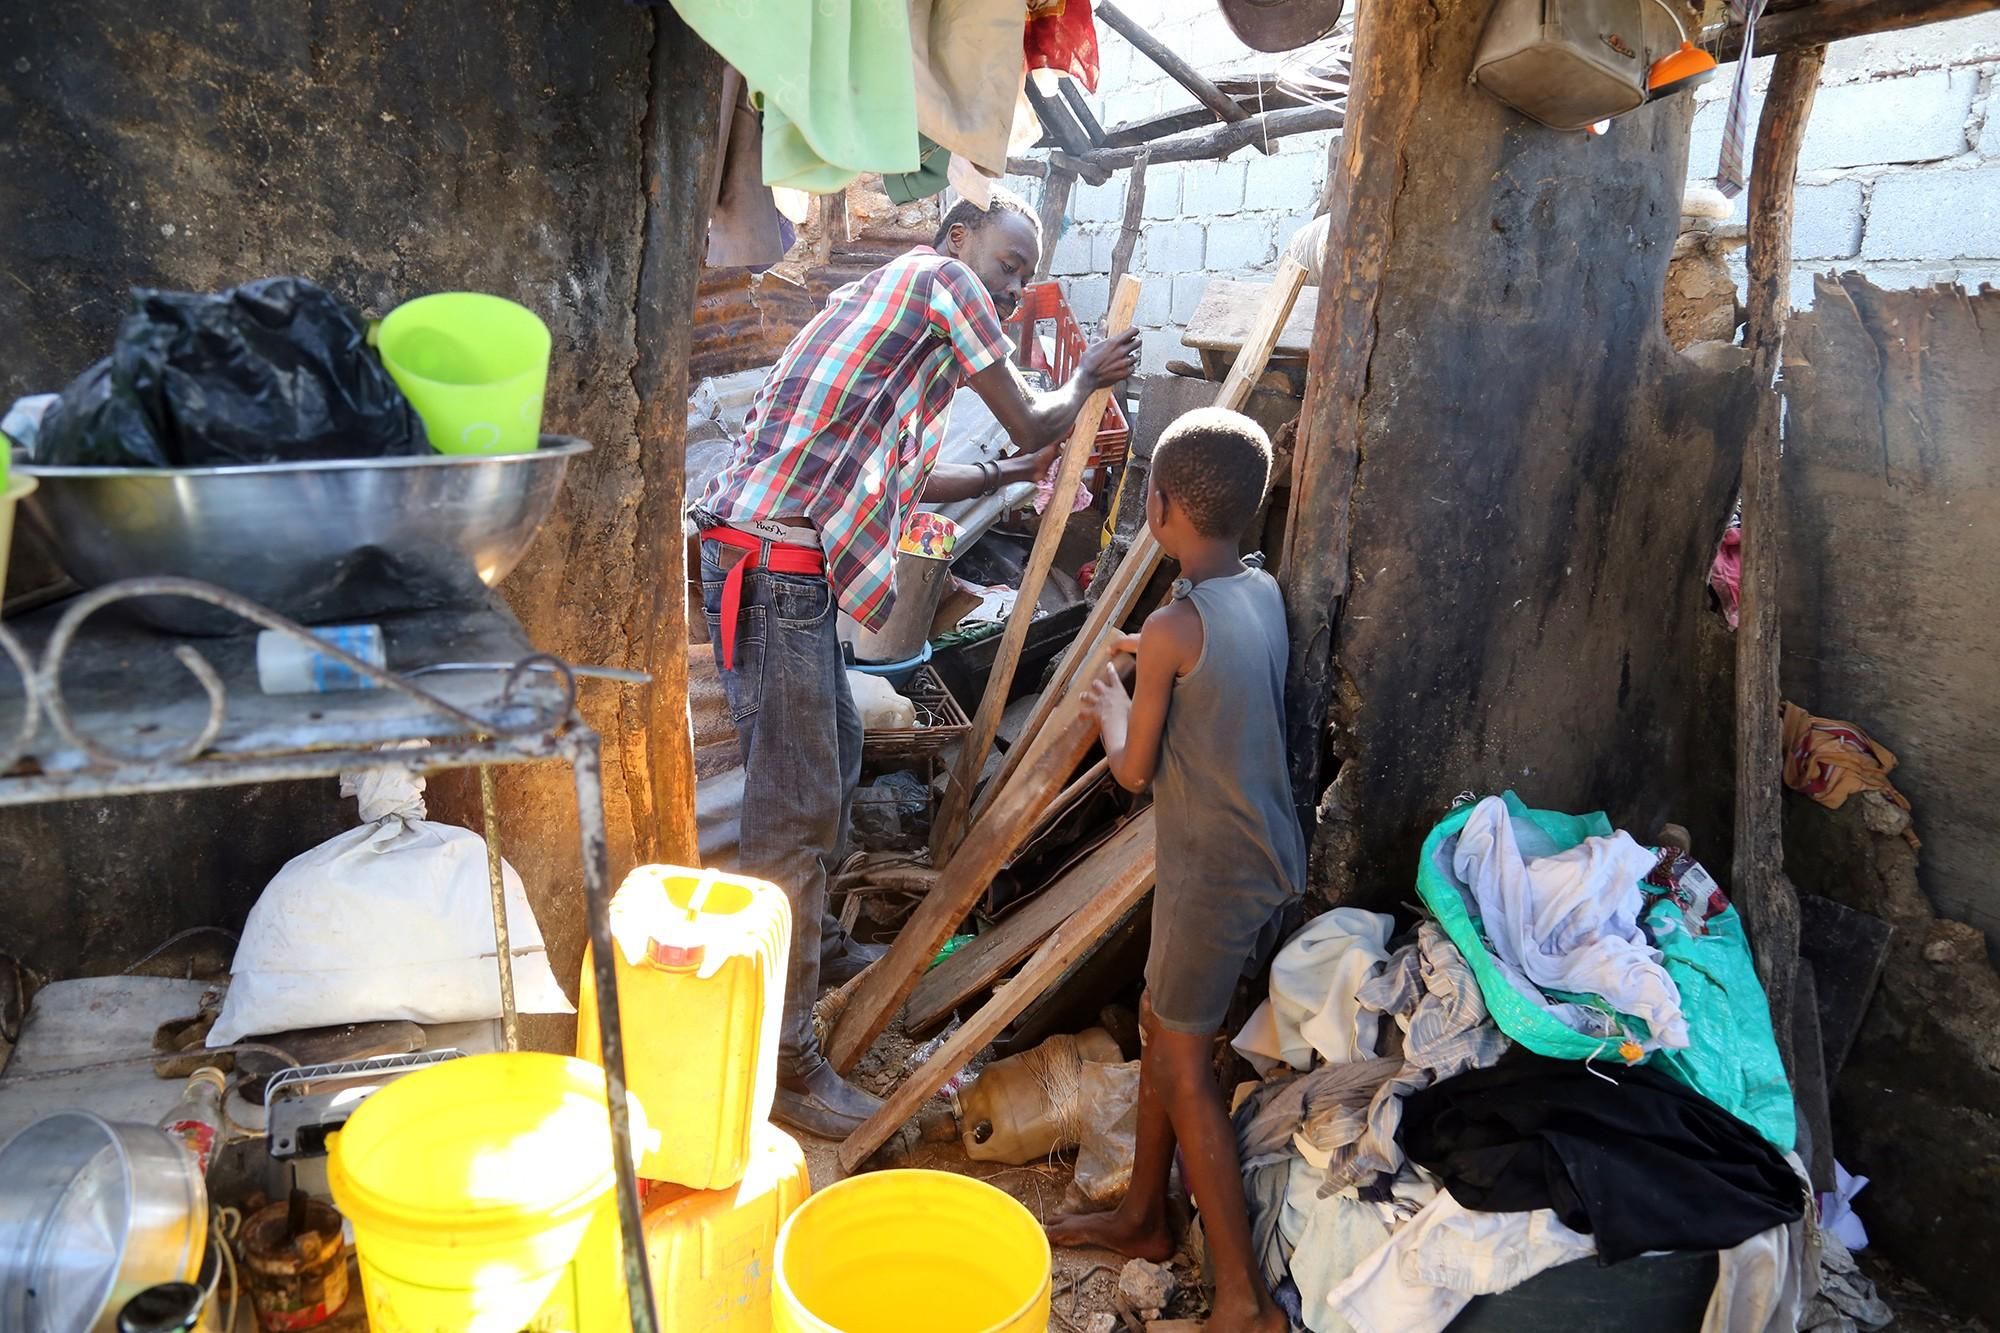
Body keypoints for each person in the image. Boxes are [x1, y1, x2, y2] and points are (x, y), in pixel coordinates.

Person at [692, 188, 1142, 1139]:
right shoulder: (941, 280)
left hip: (769, 557)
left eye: (1025, 276)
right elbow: (1030, 417)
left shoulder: (902, 339)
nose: (1015, 288)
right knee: (794, 813)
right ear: (958, 238)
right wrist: (1086, 378)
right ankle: (783, 1063)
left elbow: (905, 476)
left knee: (838, 751)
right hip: (772, 566)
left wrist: (1006, 480)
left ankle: (816, 944)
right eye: (1009, 263)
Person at [1048, 408, 1302, 1333]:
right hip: (1266, 850)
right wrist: (1149, 661)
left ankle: (1242, 1302)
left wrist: (1118, 694)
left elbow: (1134, 769)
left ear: (1156, 507)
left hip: (1210, 874)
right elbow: (1212, 673)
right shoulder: (1259, 592)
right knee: (1161, 1022)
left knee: (1185, 1062)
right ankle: (1144, 1216)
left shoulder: (1167, 627)